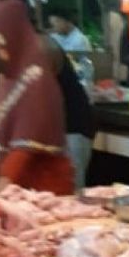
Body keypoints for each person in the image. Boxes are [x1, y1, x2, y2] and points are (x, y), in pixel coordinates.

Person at [0, 0, 74, 195]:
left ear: (11, 39)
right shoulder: (9, 78)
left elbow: (25, 145)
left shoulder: (36, 78)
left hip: (46, 193)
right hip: (21, 192)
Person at [42, 36, 96, 193]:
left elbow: (38, 94)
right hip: (60, 128)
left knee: (70, 193)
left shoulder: (44, 47)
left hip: (73, 126)